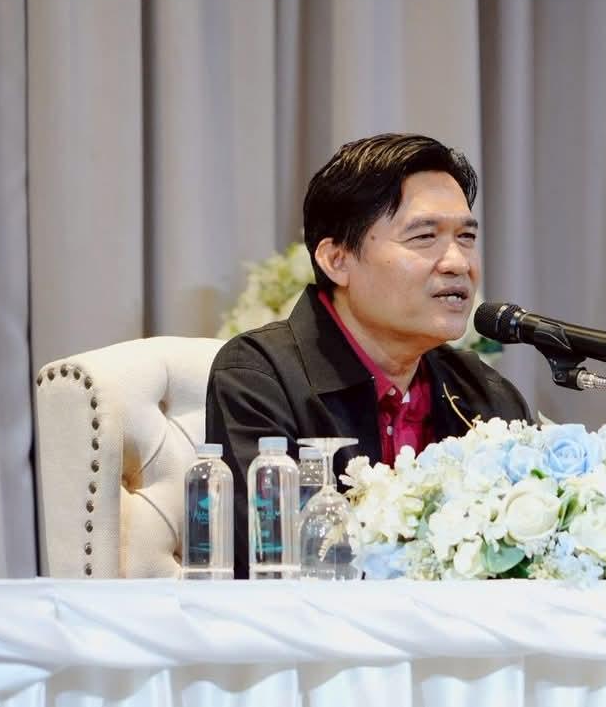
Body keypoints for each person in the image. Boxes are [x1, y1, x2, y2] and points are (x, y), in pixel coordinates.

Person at [205, 133, 532, 578]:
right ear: (337, 260)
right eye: (424, 237)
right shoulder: (260, 378)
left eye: (466, 236)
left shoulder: (485, 394)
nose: (458, 263)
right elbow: (278, 563)